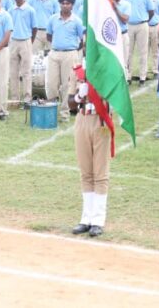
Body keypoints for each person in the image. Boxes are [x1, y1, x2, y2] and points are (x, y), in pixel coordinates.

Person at [70, 65, 112, 238]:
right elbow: (70, 103)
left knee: (100, 173)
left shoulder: (108, 69)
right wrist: (80, 95)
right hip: (82, 119)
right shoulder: (78, 71)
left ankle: (98, 220)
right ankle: (86, 218)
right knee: (86, 172)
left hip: (100, 120)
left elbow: (115, 98)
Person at [46, 0, 85, 119]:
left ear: (72, 5)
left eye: (67, 3)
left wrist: (72, 49)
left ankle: (64, 113)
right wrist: (58, 45)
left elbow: (82, 39)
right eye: (62, 3)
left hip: (70, 53)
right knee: (51, 84)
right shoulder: (53, 19)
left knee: (67, 85)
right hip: (54, 53)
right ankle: (51, 111)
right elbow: (49, 36)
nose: (64, 5)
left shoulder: (77, 21)